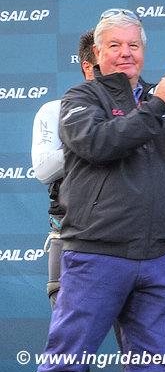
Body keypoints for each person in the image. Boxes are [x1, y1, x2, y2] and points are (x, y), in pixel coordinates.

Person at [34, 8, 165, 372]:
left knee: (150, 370)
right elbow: (98, 143)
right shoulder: (80, 97)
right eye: (115, 45)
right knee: (64, 367)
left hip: (156, 256)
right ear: (96, 54)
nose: (126, 53)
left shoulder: (160, 98)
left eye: (133, 45)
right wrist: (159, 101)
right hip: (97, 255)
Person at [31, 30, 96, 306]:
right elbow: (44, 170)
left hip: (128, 244)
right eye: (110, 55)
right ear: (88, 66)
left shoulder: (137, 113)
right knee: (68, 344)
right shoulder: (55, 110)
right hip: (70, 238)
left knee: (134, 344)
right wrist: (94, 138)